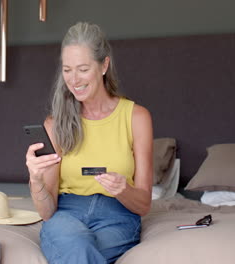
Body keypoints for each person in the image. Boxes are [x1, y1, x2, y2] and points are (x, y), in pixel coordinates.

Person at [25, 21, 153, 264]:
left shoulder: (137, 117)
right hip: (66, 215)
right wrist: (36, 179)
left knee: (77, 253)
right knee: (77, 245)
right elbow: (46, 212)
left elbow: (144, 204)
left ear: (104, 65)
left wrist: (123, 189)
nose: (74, 80)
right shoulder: (55, 124)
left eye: (83, 69)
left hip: (118, 216)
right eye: (67, 70)